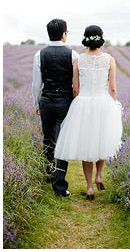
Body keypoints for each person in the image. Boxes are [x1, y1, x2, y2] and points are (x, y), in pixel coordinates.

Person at [54, 25, 123, 200]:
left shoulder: (78, 60)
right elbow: (113, 88)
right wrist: (112, 105)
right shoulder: (109, 60)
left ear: (85, 38)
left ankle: (90, 186)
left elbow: (75, 89)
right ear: (100, 38)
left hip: (83, 102)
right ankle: (99, 175)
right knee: (102, 139)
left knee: (86, 144)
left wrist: (78, 100)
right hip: (103, 102)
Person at [33, 18, 79, 197]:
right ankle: (59, 187)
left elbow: (36, 84)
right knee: (63, 144)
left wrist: (37, 104)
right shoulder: (73, 55)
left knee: (48, 140)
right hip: (65, 102)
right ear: (64, 35)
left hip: (46, 100)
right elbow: (76, 84)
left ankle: (47, 174)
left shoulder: (39, 54)